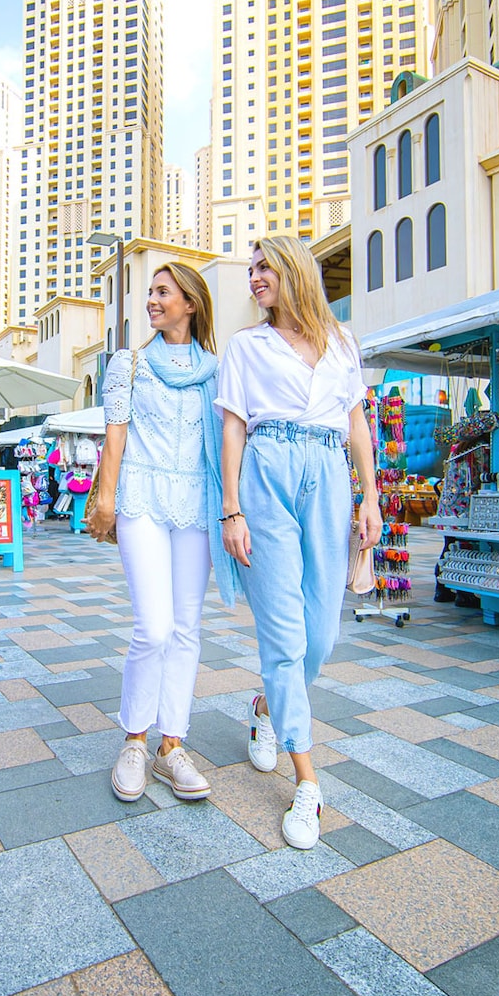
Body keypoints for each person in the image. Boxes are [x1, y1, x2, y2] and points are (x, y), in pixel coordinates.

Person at [219, 236, 381, 850]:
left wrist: (370, 496)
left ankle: (267, 706)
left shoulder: (342, 344)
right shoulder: (246, 347)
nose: (255, 278)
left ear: (295, 274)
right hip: (266, 473)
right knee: (285, 636)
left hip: (328, 473)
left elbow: (358, 423)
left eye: (265, 268)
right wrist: (231, 508)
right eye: (253, 270)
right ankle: (307, 780)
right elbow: (233, 426)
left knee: (323, 632)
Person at [89, 262, 242, 805]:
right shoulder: (129, 365)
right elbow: (115, 438)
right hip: (142, 500)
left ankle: (170, 745)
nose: (152, 300)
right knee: (152, 627)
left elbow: (233, 441)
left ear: (191, 303)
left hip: (196, 504)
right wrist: (105, 499)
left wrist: (233, 507)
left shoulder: (219, 371)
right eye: (151, 292)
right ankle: (134, 738)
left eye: (162, 292)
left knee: (186, 628)